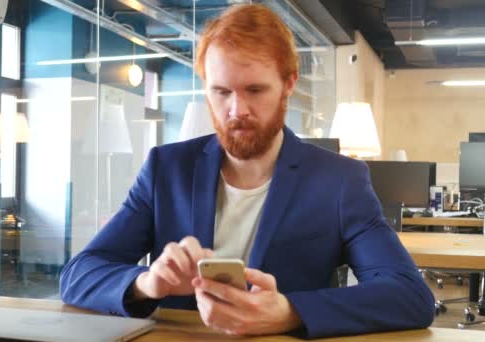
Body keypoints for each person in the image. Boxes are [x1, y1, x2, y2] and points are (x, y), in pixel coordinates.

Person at [60, 4, 434, 338]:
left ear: (288, 84)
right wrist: (146, 282)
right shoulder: (166, 169)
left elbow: (410, 295)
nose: (237, 110)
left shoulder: (339, 180)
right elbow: (79, 274)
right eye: (221, 92)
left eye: (255, 90)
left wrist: (290, 312)